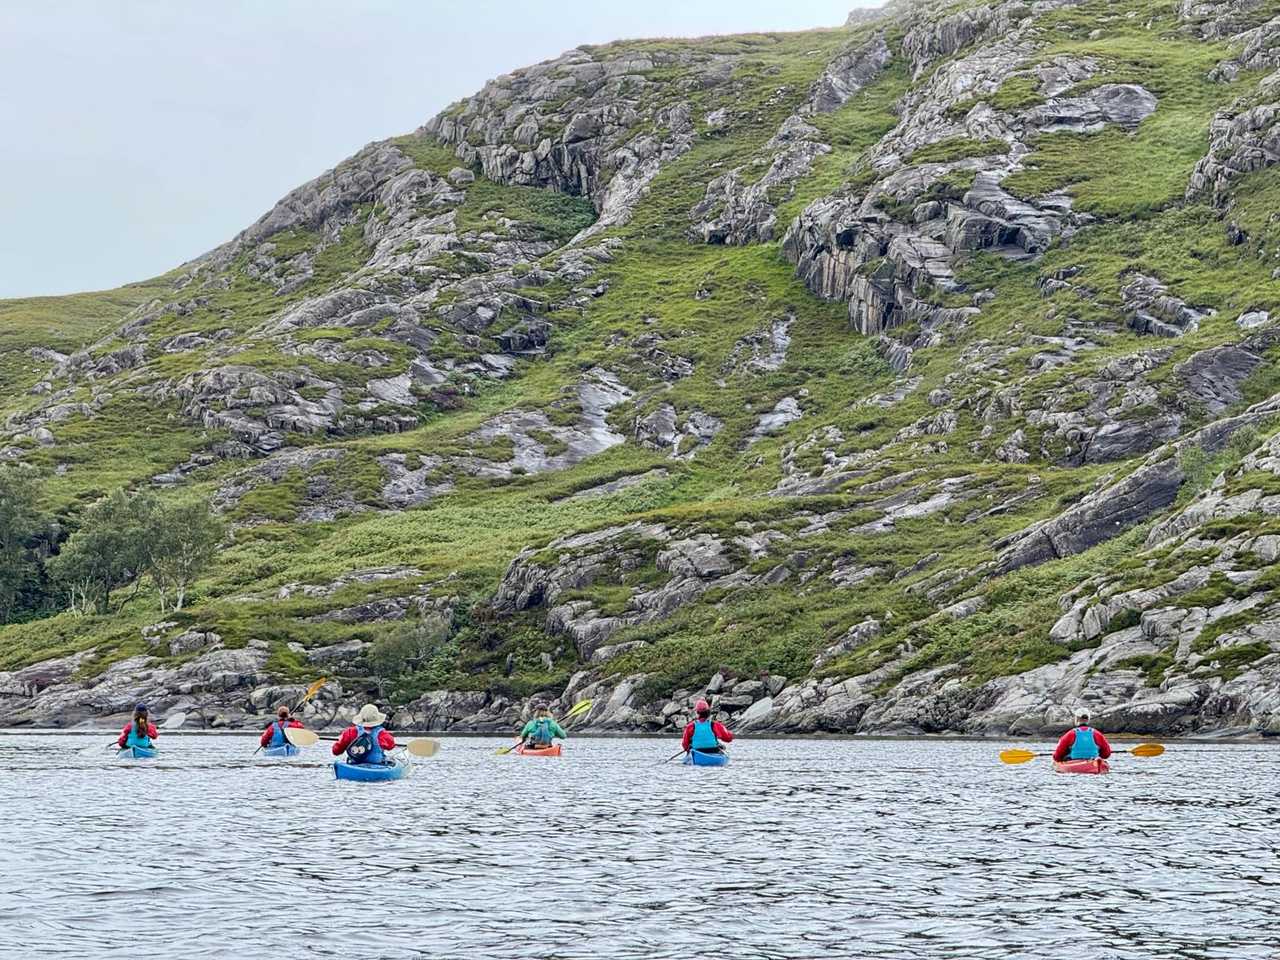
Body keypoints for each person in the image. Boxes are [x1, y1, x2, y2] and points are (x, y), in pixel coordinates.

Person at [332, 703, 396, 765]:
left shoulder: (350, 732)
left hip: (354, 764)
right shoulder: (382, 734)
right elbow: (391, 746)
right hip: (376, 764)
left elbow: (336, 751)